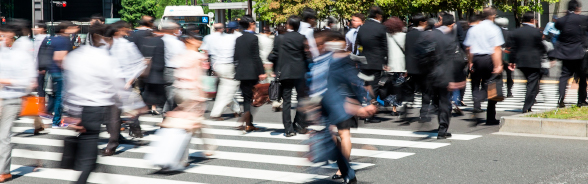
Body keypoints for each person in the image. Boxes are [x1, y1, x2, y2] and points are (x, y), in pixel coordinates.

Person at [63, 23, 127, 184]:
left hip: (78, 109)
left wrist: (71, 113)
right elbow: (118, 84)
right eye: (110, 38)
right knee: (89, 158)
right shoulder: (105, 58)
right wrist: (136, 106)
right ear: (102, 38)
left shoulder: (75, 55)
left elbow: (68, 87)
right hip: (94, 110)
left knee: (88, 152)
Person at [313, 31, 376, 184]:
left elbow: (356, 80)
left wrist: (364, 102)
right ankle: (344, 165)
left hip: (345, 100)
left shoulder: (346, 57)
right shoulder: (325, 58)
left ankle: (344, 169)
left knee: (344, 133)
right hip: (330, 102)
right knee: (332, 135)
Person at [101, 21, 148, 156]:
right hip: (107, 81)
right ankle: (117, 137)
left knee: (114, 114)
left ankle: (112, 144)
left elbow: (139, 64)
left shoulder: (127, 45)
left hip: (119, 81)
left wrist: (128, 82)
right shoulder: (106, 44)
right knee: (108, 114)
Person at [0, 24, 37, 183]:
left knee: (3, 136)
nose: (2, 39)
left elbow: (30, 82)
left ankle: (4, 171)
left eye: (3, 36)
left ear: (12, 37)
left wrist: (6, 81)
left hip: (11, 100)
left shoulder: (21, 55)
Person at [427, 13, 466, 138]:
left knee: (437, 101)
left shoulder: (430, 35)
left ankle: (437, 118)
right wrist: (457, 78)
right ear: (451, 24)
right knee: (444, 102)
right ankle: (442, 129)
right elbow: (454, 61)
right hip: (445, 75)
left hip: (431, 74)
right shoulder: (449, 40)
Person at [464, 7, 504, 125]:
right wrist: (498, 65)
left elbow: (469, 48)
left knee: (475, 81)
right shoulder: (494, 29)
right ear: (493, 16)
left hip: (476, 58)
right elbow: (496, 49)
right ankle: (490, 117)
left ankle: (477, 102)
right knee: (491, 86)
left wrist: (470, 62)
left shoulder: (474, 29)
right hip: (489, 59)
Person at [272, 16, 309, 137]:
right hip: (299, 73)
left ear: (289, 25)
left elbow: (274, 55)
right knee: (301, 100)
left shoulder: (280, 38)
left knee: (287, 101)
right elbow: (307, 56)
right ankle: (298, 123)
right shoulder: (302, 38)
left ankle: (288, 129)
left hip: (285, 73)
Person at [549, 0, 588, 108]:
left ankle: (561, 98)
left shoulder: (561, 21)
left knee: (564, 76)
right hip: (580, 53)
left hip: (565, 53)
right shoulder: (583, 19)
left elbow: (557, 27)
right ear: (578, 8)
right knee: (582, 77)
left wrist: (566, 16)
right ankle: (581, 100)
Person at [508, 12, 547, 113]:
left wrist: (511, 61)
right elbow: (541, 46)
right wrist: (547, 55)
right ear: (532, 20)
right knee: (532, 84)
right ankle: (527, 107)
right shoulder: (536, 32)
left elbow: (513, 48)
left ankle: (529, 104)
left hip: (521, 62)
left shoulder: (516, 32)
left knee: (530, 83)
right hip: (533, 62)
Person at [234, 16, 266, 132]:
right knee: (255, 98)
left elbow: (235, 57)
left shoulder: (238, 39)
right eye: (254, 23)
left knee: (246, 98)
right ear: (251, 24)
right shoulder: (253, 38)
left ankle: (248, 122)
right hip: (252, 72)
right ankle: (247, 121)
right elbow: (256, 56)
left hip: (241, 72)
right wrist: (261, 72)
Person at [356, 6, 388, 123]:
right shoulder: (381, 28)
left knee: (364, 86)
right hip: (376, 62)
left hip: (363, 61)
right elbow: (385, 47)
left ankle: (360, 111)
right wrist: (385, 61)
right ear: (378, 16)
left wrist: (360, 57)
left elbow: (358, 45)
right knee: (374, 87)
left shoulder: (362, 28)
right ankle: (370, 114)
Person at [208, 22, 242, 120]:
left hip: (218, 66)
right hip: (229, 66)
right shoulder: (236, 37)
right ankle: (216, 113)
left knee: (226, 89)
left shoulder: (220, 38)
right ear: (235, 29)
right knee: (228, 90)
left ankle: (237, 110)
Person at [46, 21, 77, 128]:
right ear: (65, 29)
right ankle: (56, 121)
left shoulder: (54, 39)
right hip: (60, 73)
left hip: (53, 71)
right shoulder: (64, 40)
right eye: (71, 27)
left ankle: (57, 119)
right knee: (60, 97)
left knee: (58, 96)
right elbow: (59, 58)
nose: (75, 29)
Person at [404, 13, 432, 122]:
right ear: (421, 22)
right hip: (423, 67)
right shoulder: (425, 34)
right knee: (426, 91)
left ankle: (407, 107)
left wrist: (406, 67)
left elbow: (406, 51)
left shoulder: (408, 34)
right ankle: (424, 114)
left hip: (411, 67)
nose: (426, 23)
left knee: (410, 89)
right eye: (425, 21)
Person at [160, 20, 186, 115]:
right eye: (178, 28)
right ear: (173, 30)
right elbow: (183, 59)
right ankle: (166, 115)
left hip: (164, 70)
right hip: (174, 71)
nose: (179, 30)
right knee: (172, 96)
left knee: (171, 94)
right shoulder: (177, 43)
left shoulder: (162, 40)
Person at [382, 17, 406, 116]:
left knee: (392, 86)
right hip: (401, 64)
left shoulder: (387, 36)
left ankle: (391, 105)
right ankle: (394, 108)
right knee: (399, 87)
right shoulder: (403, 35)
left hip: (390, 65)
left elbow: (384, 50)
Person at [495, 17, 514, 98]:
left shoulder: (495, 33)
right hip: (507, 56)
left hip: (497, 56)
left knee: (498, 75)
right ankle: (509, 92)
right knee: (509, 75)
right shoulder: (510, 33)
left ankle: (499, 91)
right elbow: (511, 45)